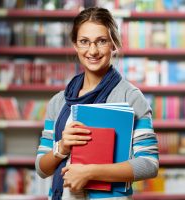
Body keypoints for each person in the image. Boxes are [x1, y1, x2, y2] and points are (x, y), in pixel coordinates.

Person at [35, 7, 159, 200]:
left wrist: (90, 172)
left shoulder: (131, 97)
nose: (93, 51)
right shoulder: (59, 101)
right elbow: (41, 169)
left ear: (114, 44)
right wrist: (62, 147)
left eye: (101, 41)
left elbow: (149, 164)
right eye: (84, 42)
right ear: (75, 45)